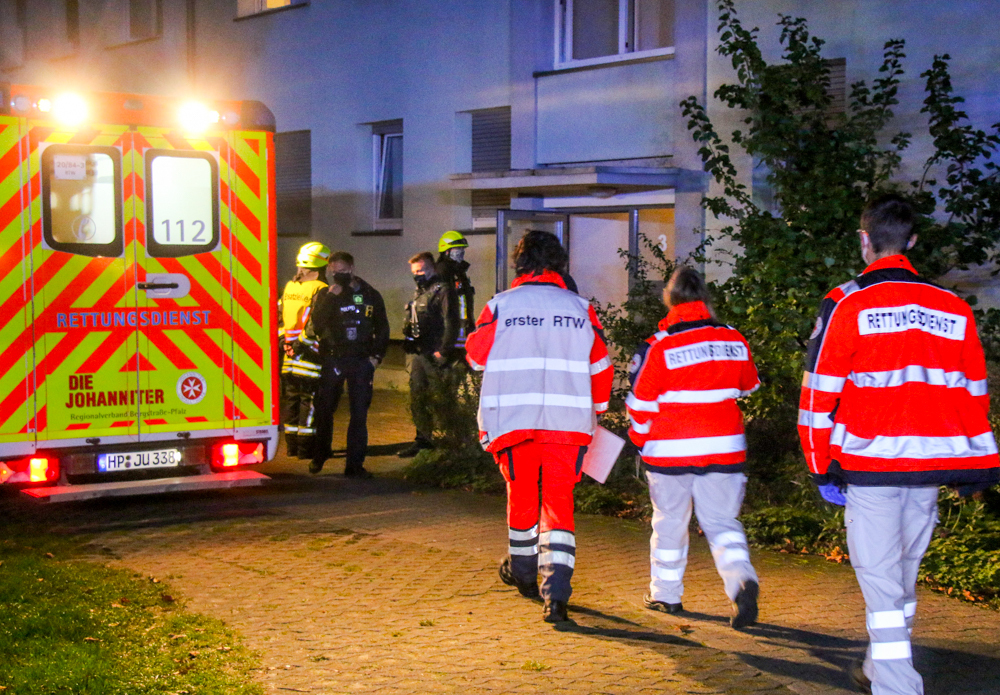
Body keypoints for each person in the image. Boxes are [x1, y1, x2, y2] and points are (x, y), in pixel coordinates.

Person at [798, 194, 1000, 695]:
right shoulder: (953, 308)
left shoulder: (850, 303)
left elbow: (819, 392)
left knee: (881, 577)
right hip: (931, 464)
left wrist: (820, 464)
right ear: (911, 241)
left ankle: (897, 684)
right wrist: (969, 466)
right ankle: (877, 665)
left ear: (865, 240)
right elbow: (975, 393)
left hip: (871, 463)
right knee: (902, 574)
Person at [465, 230, 613, 623]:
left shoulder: (501, 306)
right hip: (568, 426)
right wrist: (596, 409)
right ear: (560, 263)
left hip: (514, 423)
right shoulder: (581, 309)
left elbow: (476, 357)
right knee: (559, 503)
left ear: (521, 261)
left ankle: (524, 574)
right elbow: (600, 366)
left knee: (523, 496)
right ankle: (557, 595)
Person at [626, 266, 761, 629]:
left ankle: (666, 594)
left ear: (669, 298)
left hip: (670, 450)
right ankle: (741, 583)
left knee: (670, 523)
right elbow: (749, 385)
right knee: (722, 523)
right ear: (704, 297)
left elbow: (639, 407)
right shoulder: (733, 338)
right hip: (725, 449)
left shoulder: (660, 344)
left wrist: (640, 441)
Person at [297, 251, 389, 478]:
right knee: (324, 409)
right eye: (335, 272)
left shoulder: (369, 294)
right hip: (334, 359)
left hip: (360, 360)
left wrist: (376, 358)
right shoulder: (325, 295)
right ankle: (320, 455)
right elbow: (316, 325)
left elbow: (383, 327)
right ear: (329, 270)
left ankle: (354, 465)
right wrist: (330, 298)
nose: (339, 275)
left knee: (359, 414)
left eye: (343, 271)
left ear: (352, 268)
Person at [398, 251, 460, 458]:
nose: (418, 274)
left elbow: (452, 322)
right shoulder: (419, 292)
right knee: (418, 397)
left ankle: (452, 440)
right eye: (415, 271)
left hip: (435, 354)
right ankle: (423, 440)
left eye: (422, 270)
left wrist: (443, 352)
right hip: (419, 354)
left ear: (432, 268)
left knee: (441, 398)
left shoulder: (443, 291)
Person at [278, 242, 330, 459]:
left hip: (288, 354)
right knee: (308, 402)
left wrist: (284, 342)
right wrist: (301, 345)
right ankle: (304, 449)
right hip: (308, 355)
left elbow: (280, 315)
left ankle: (290, 446)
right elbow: (315, 323)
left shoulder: (290, 287)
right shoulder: (320, 288)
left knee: (291, 399)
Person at [436, 231, 476, 354]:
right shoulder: (442, 271)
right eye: (458, 248)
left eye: (462, 248)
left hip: (462, 331)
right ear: (447, 251)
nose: (461, 251)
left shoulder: (458, 271)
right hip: (450, 334)